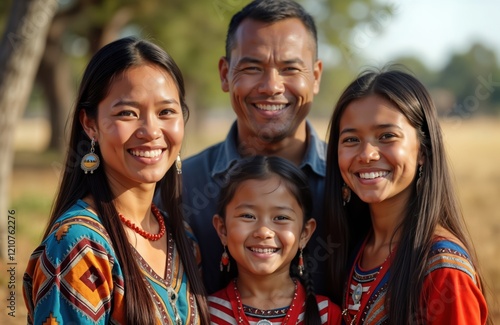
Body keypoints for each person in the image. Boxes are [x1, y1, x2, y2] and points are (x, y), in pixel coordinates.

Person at [23, 37, 210, 324]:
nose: (150, 130)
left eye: (166, 112)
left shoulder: (182, 237)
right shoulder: (79, 247)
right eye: (127, 113)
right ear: (90, 124)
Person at [180, 0, 327, 296]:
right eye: (252, 67)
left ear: (315, 77)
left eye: (290, 68)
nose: (271, 86)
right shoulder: (182, 186)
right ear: (224, 74)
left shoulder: (354, 181)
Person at [324, 67, 490, 324]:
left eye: (386, 136)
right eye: (351, 139)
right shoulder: (354, 246)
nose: (367, 154)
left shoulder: (444, 272)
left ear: (423, 151)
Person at [208, 155, 341, 324]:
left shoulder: (327, 315)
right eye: (248, 216)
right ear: (222, 229)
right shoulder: (205, 314)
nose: (264, 232)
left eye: (281, 217)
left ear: (304, 234)